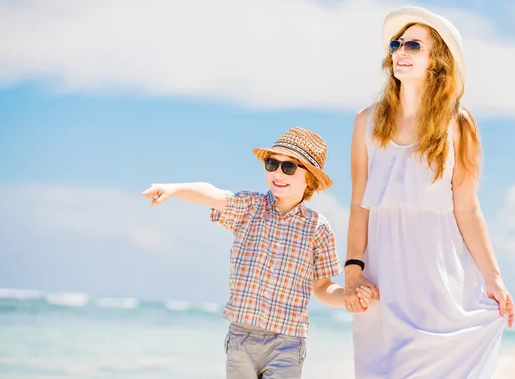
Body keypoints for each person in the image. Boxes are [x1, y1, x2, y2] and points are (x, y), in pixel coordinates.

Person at [342, 5, 515, 378]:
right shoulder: (365, 122)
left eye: (414, 45)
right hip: (384, 282)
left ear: (437, 59)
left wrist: (493, 278)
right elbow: (359, 204)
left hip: (440, 279)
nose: (400, 51)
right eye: (396, 43)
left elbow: (467, 208)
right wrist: (353, 271)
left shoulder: (459, 123)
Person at [141, 127, 374, 379]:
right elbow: (213, 194)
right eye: (272, 163)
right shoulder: (250, 208)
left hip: (287, 342)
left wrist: (347, 298)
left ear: (311, 180)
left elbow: (322, 287)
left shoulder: (318, 228)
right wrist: (174, 189)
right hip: (241, 337)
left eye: (289, 167)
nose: (277, 173)